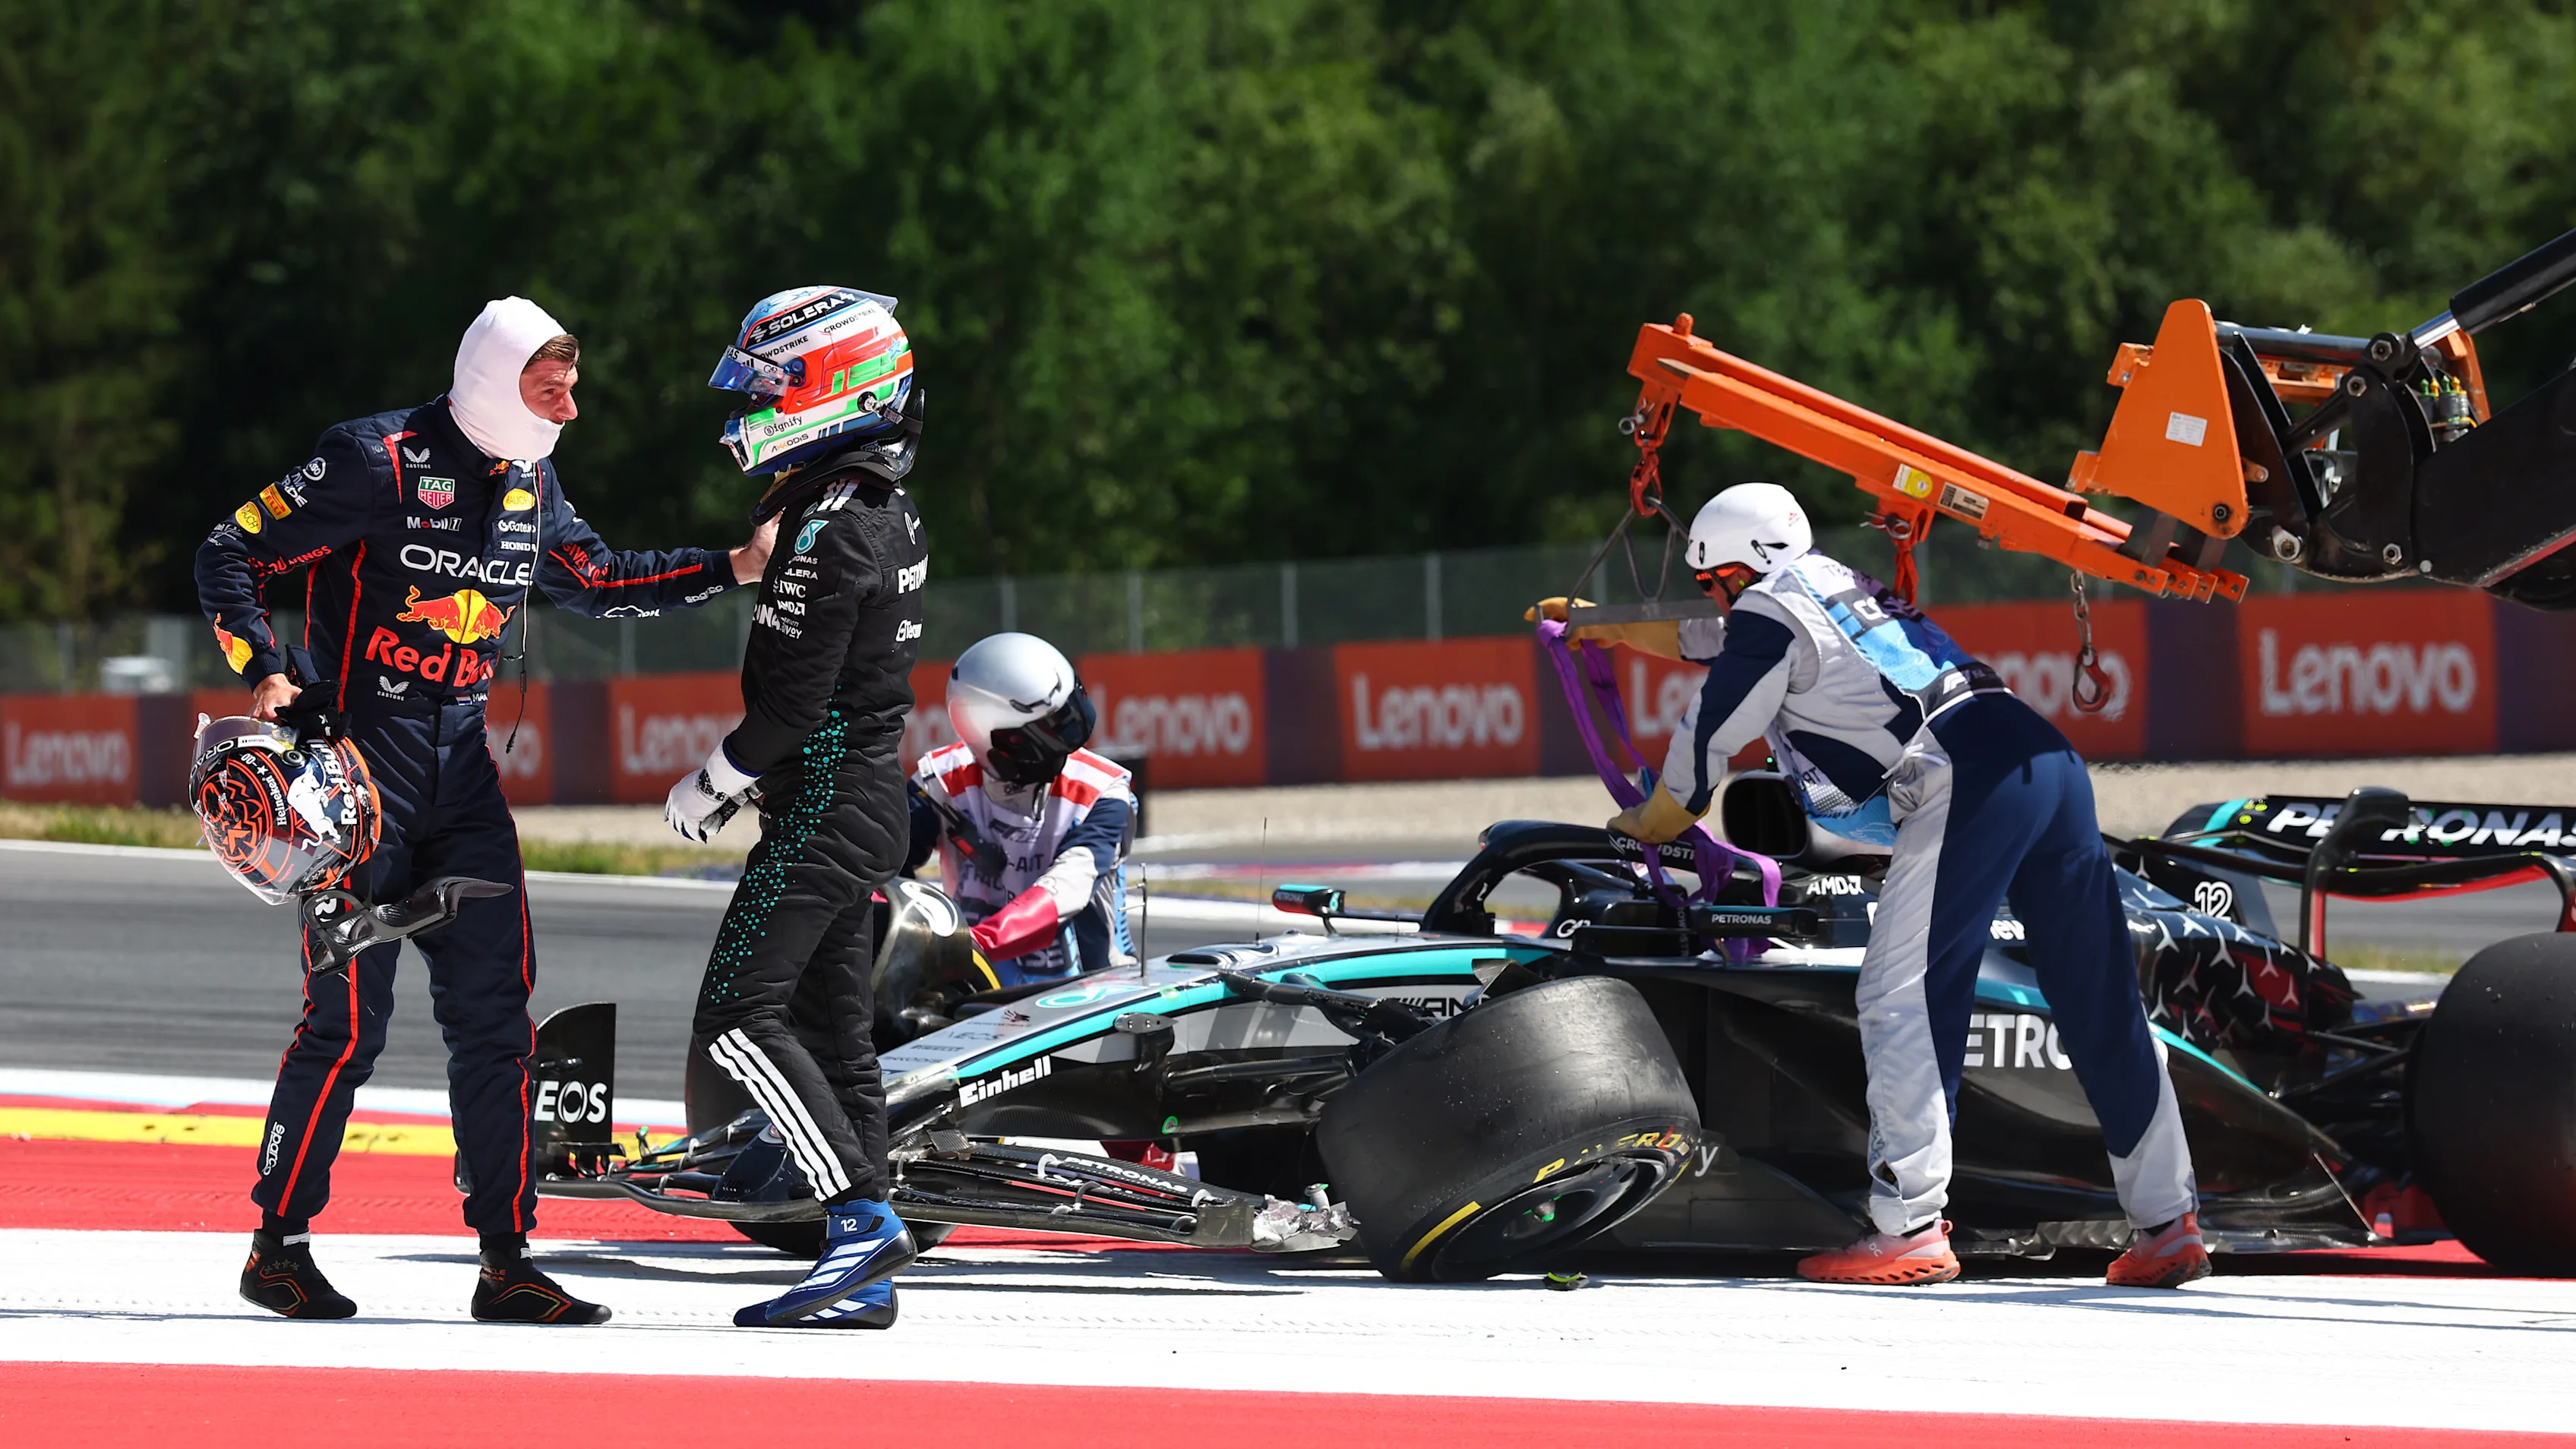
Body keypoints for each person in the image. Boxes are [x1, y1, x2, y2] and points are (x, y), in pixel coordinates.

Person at [200, 297, 772, 1323]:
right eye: (552, 388)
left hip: (464, 775)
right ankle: (276, 1246)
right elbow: (228, 553)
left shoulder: (532, 478)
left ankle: (507, 1261)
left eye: (573, 386)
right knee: (344, 1026)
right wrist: (269, 672)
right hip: (357, 773)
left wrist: (731, 567)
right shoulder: (370, 458)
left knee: (499, 1026)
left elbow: (596, 581)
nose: (572, 407)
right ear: (494, 378)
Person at [1539, 482, 2207, 1290]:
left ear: (1742, 569)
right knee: (2098, 1003)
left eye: (1715, 580)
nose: (1717, 599)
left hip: (1965, 774)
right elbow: (1709, 636)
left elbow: (1711, 724)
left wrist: (1655, 817)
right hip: (2041, 762)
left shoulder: (1768, 612)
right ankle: (2167, 1225)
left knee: (1902, 993)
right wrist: (1599, 625)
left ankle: (1908, 1225)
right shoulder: (1824, 586)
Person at [662, 285, 928, 1329]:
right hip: (858, 797)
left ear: (836, 392)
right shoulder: (877, 504)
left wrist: (712, 783)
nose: (750, 407)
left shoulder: (830, 524)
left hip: (824, 798)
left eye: (772, 387)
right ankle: (865, 1263)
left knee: (736, 1016)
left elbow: (788, 706)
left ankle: (859, 1222)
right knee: (832, 1026)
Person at [906, 633, 1135, 990]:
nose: (1068, 740)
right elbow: (884, 868)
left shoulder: (1105, 792)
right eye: (1048, 729)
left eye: (1065, 716)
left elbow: (1066, 890)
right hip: (973, 991)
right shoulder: (938, 781)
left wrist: (971, 945)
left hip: (1094, 995)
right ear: (993, 737)